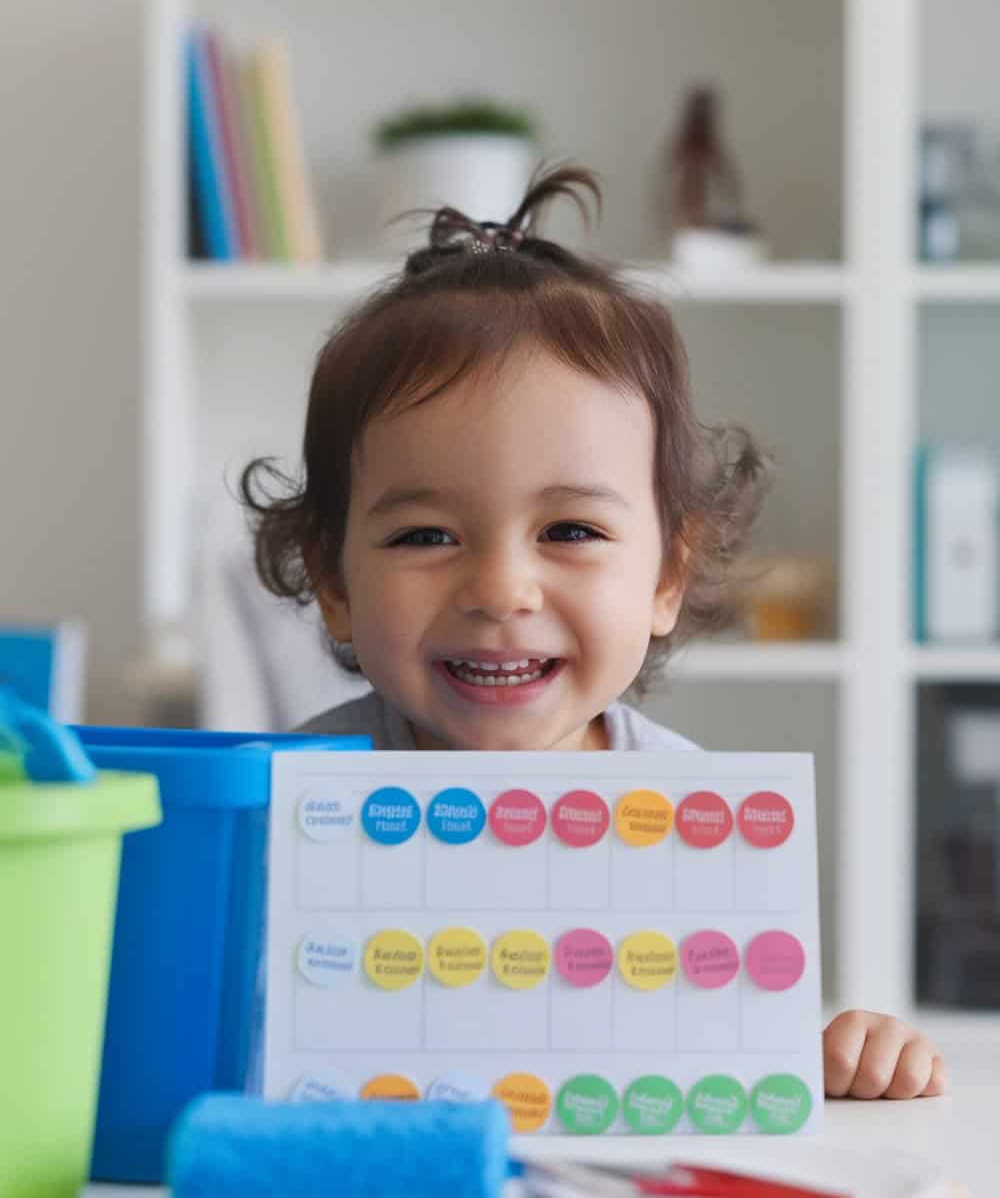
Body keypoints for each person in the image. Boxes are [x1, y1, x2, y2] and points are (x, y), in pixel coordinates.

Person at [241, 165, 947, 1104]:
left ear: (666, 576)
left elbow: (730, 1060)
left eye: (570, 531)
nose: (500, 588)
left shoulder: (703, 830)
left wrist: (838, 1054)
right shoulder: (274, 811)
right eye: (425, 535)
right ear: (333, 579)